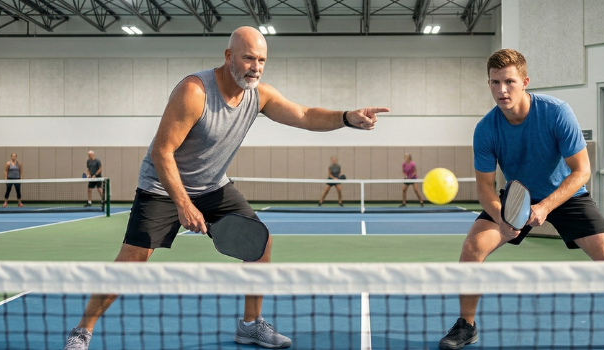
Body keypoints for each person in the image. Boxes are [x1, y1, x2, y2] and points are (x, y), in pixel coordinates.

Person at [62, 26, 388, 350]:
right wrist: (183, 204)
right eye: (248, 58)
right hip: (163, 185)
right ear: (229, 56)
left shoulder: (259, 96)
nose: (256, 67)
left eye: (261, 60)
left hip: (213, 186)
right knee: (132, 260)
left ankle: (250, 326)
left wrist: (347, 117)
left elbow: (304, 115)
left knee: (260, 244)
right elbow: (162, 151)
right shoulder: (194, 92)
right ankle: (82, 331)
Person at [437, 49, 604, 350]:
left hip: (566, 195)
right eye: (495, 83)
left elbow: (582, 170)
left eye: (509, 81)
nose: (502, 90)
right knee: (472, 248)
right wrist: (501, 217)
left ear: (525, 81)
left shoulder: (556, 112)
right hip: (517, 199)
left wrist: (546, 206)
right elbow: (484, 186)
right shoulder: (486, 129)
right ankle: (466, 326)